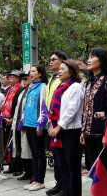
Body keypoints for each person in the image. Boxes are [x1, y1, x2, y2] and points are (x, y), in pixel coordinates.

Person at [80, 47, 107, 195]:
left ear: (102, 60)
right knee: (94, 169)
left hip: (102, 133)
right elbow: (85, 108)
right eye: (89, 57)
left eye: (93, 57)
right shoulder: (88, 83)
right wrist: (83, 131)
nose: (89, 60)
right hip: (88, 132)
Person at [49, 59, 84, 196]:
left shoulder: (75, 87)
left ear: (72, 71)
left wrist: (59, 127)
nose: (60, 71)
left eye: (63, 69)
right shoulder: (60, 87)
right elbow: (53, 108)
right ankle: (66, 192)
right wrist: (51, 125)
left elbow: (71, 110)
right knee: (62, 166)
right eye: (60, 69)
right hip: (58, 130)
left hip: (71, 131)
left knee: (72, 167)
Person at [45, 50, 67, 196]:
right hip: (51, 123)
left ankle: (65, 186)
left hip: (62, 124)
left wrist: (58, 124)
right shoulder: (52, 79)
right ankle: (59, 184)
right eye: (50, 59)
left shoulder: (64, 80)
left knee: (63, 158)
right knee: (56, 156)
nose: (51, 62)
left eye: (54, 59)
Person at [23, 64, 48, 191]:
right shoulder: (31, 87)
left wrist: (41, 125)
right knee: (34, 154)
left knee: (39, 153)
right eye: (30, 71)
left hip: (36, 124)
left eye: (33, 71)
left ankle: (40, 181)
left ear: (40, 73)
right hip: (28, 123)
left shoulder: (43, 86)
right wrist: (23, 122)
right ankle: (35, 179)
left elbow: (43, 107)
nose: (30, 73)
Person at [11, 71, 34, 183]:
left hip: (29, 125)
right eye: (23, 80)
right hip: (19, 125)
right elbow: (17, 109)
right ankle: (27, 172)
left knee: (30, 150)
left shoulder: (33, 91)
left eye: (26, 79)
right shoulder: (22, 92)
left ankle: (34, 174)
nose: (23, 81)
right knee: (21, 149)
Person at [2, 70, 24, 175]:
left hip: (14, 121)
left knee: (16, 145)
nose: (10, 78)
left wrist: (12, 118)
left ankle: (18, 168)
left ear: (18, 79)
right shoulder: (10, 89)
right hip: (6, 121)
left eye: (12, 77)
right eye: (9, 77)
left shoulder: (20, 89)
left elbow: (18, 107)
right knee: (8, 145)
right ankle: (11, 166)